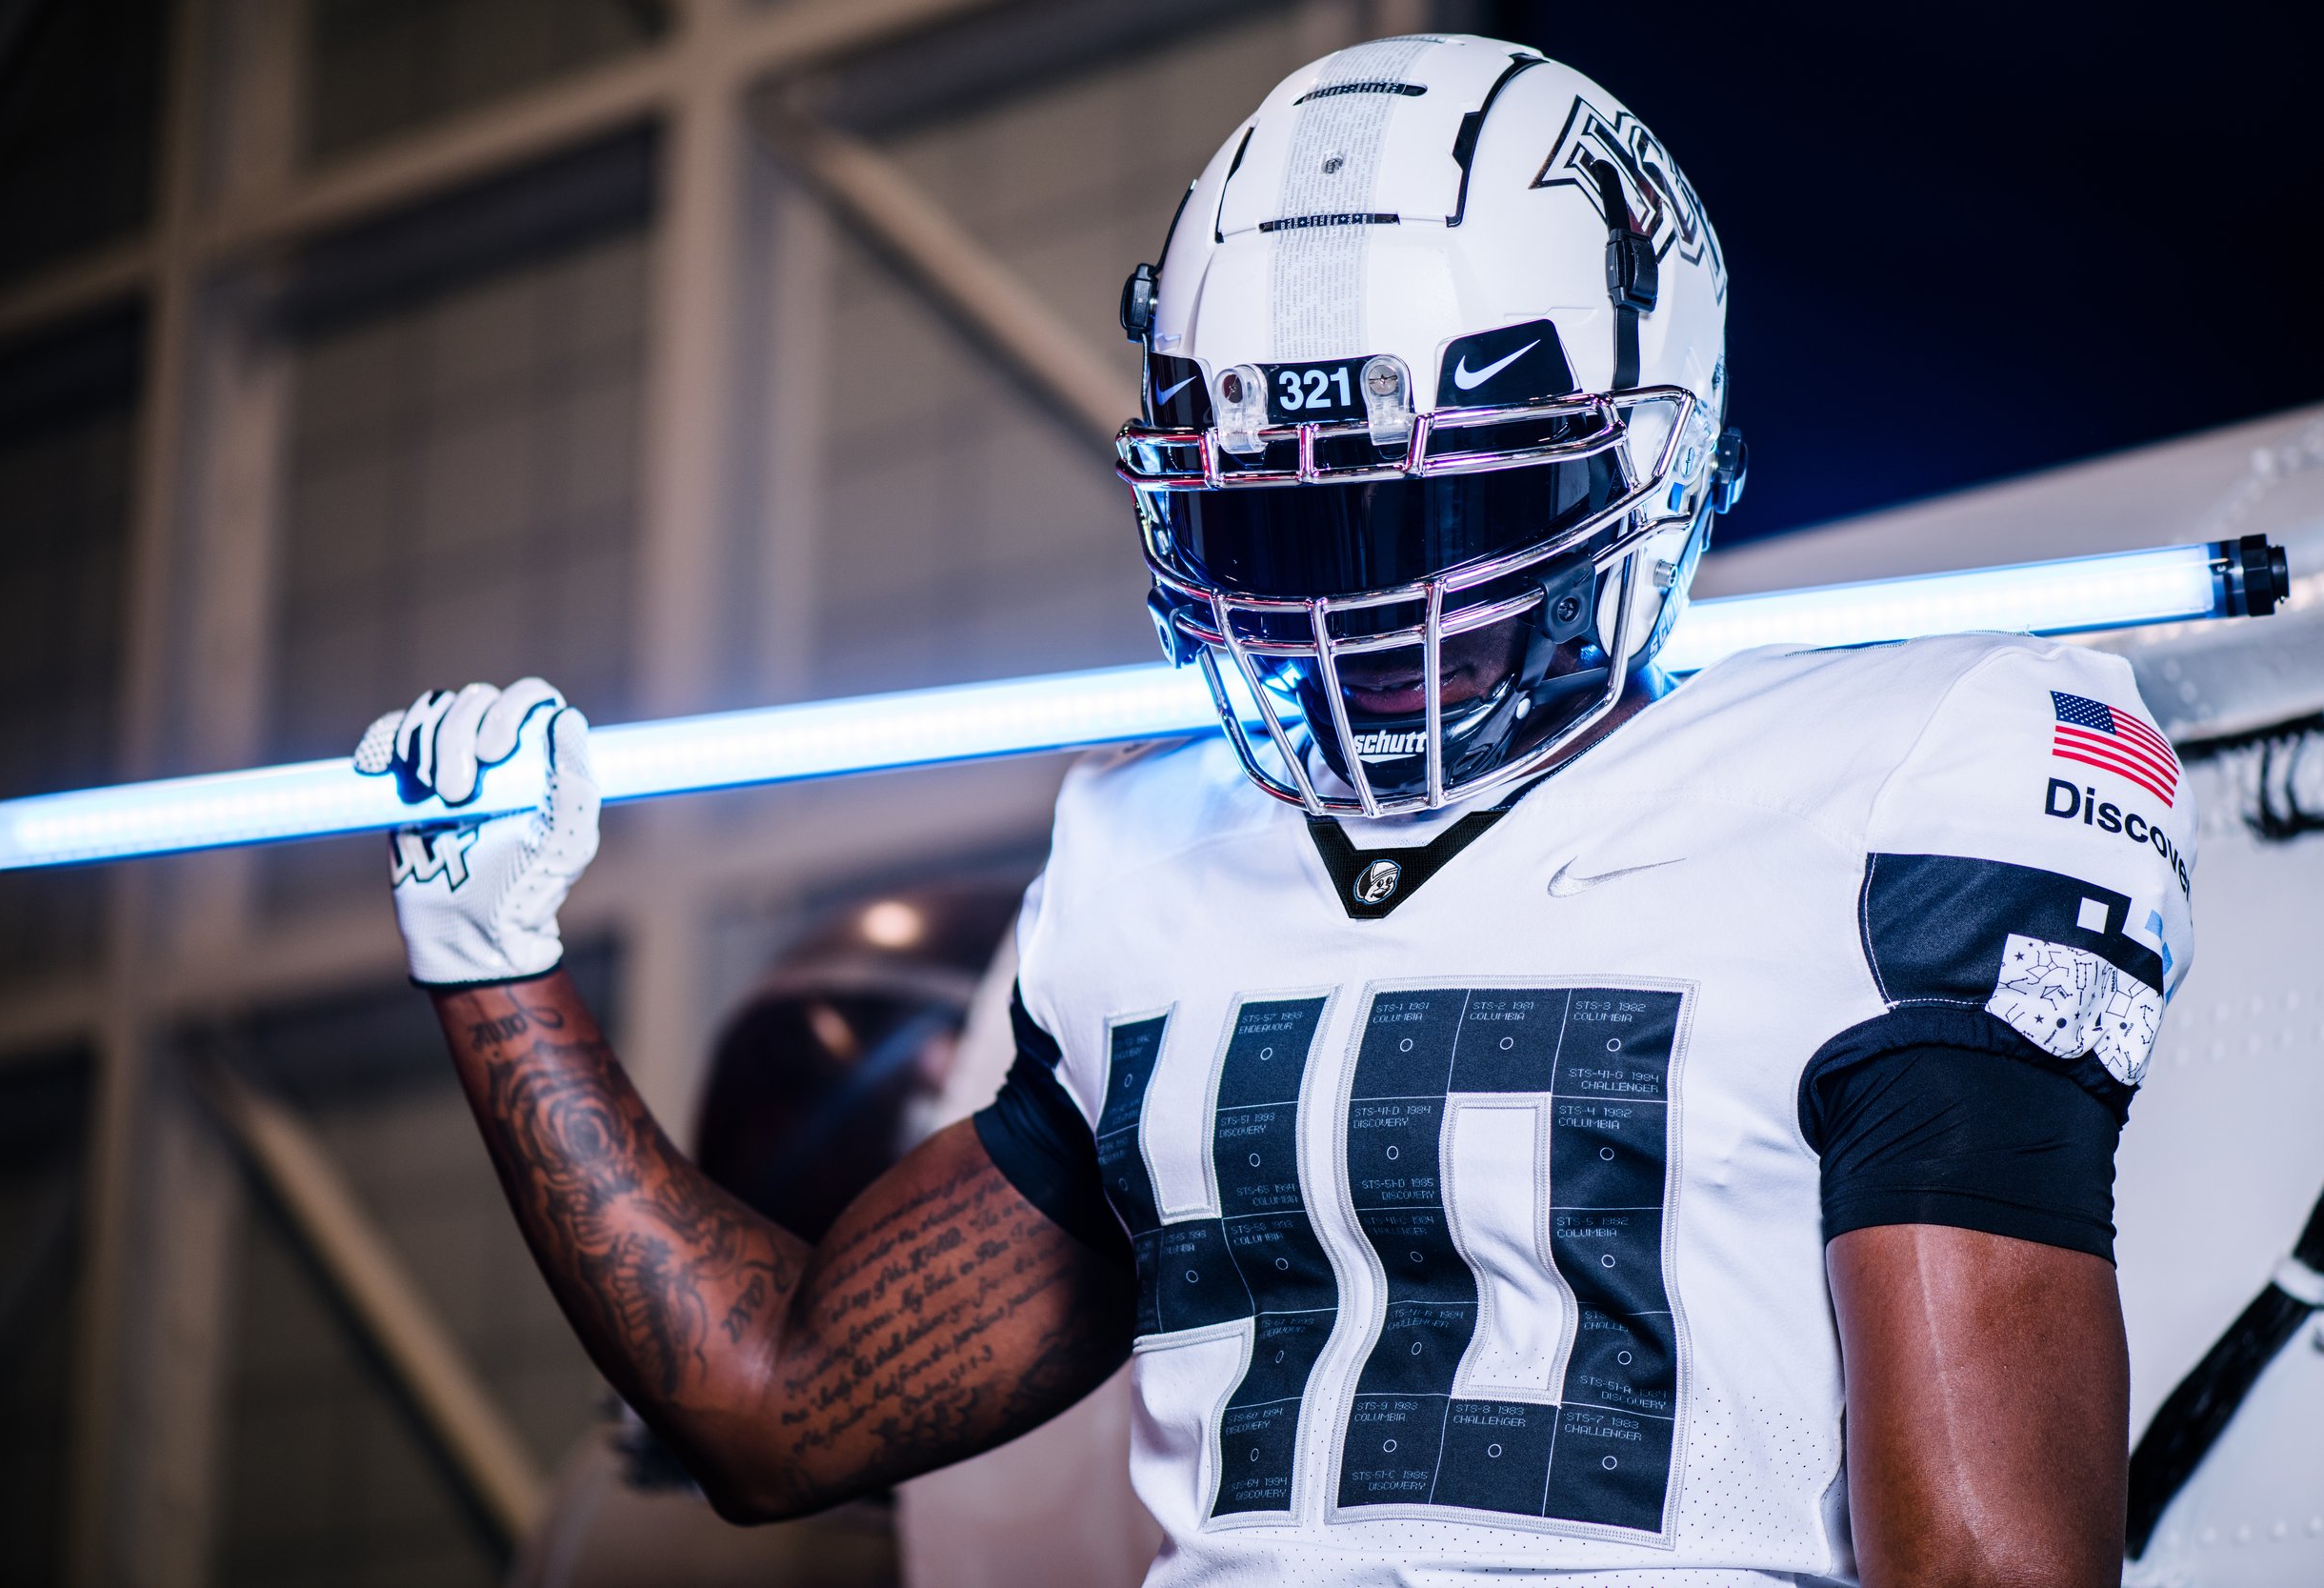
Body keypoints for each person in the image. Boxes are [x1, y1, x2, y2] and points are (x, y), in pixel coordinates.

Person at [356, 36, 2194, 1586]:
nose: (1359, 608)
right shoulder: (1155, 868)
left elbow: (1995, 1573)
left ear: (1654, 455)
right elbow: (775, 1410)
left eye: (1438, 511)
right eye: (1284, 522)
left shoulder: (1890, 790)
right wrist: (492, 961)